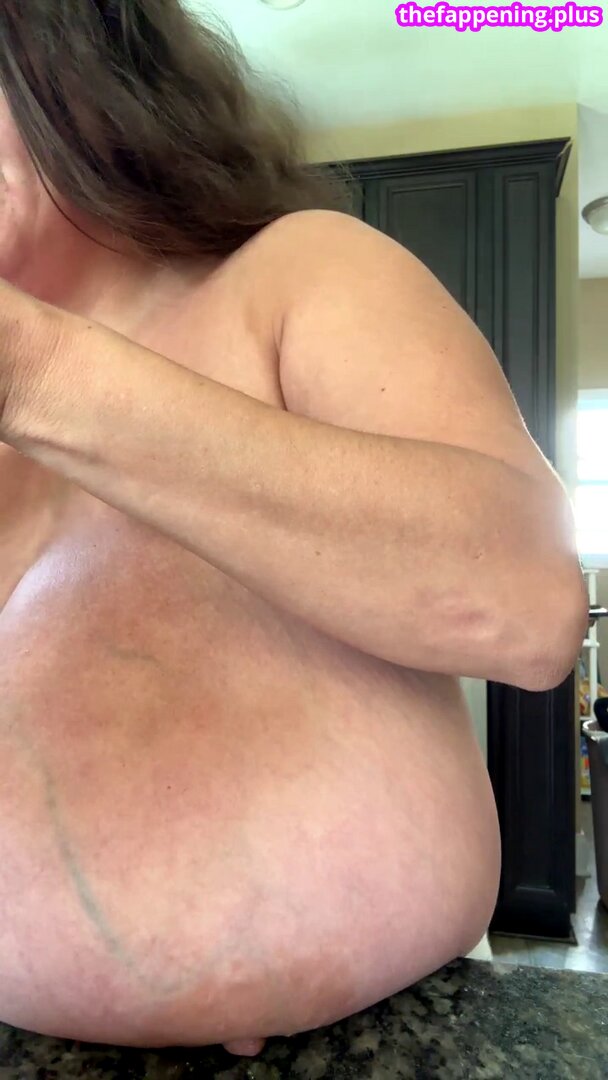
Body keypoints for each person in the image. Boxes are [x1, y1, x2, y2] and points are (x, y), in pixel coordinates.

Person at [0, 0, 587, 1059]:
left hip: (390, 1044)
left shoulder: (298, 271)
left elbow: (526, 604)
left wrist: (35, 372)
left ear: (73, 76)